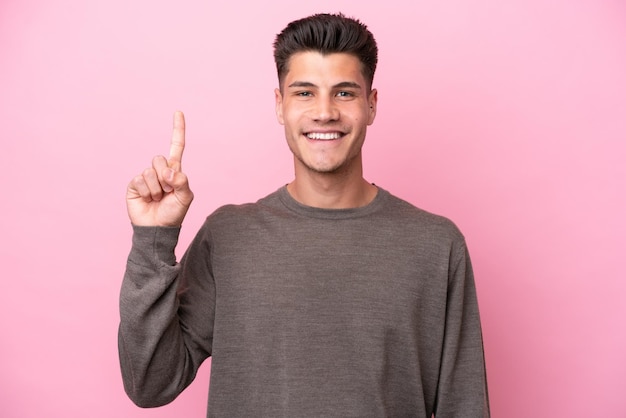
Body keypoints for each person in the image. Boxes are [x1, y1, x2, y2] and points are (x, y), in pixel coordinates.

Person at [119, 13, 490, 417]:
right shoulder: (228, 237)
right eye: (305, 93)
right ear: (280, 105)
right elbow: (150, 383)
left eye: (345, 93)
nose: (325, 112)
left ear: (372, 104)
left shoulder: (436, 245)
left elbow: (464, 406)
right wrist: (153, 240)